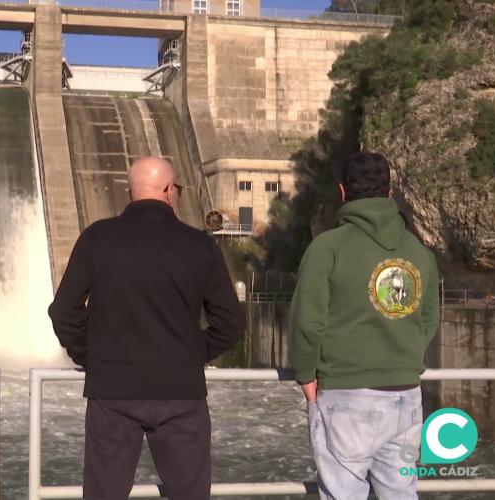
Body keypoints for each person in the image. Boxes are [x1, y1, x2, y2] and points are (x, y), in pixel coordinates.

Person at [48, 157, 245, 500]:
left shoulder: (98, 238)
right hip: (181, 395)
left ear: (131, 193)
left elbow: (64, 311)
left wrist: (93, 356)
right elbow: (230, 323)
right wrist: (191, 354)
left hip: (112, 392)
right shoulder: (199, 245)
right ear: (170, 192)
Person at [289, 151, 441, 500]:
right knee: (400, 493)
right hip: (406, 395)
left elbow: (307, 322)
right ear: (390, 191)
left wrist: (306, 373)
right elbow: (430, 317)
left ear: (343, 192)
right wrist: (403, 356)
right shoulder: (419, 252)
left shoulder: (327, 248)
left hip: (347, 393)